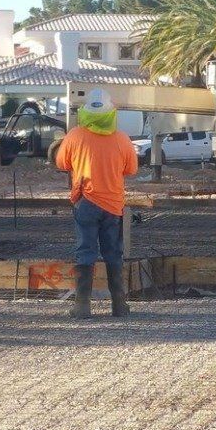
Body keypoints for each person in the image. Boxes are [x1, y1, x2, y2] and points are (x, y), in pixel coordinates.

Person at [54, 88, 139, 318]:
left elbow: (61, 163)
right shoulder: (122, 139)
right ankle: (119, 306)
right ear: (111, 113)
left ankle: (82, 307)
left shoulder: (74, 135)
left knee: (85, 252)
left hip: (86, 201)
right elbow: (131, 169)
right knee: (113, 253)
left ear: (85, 112)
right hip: (113, 205)